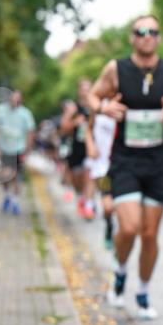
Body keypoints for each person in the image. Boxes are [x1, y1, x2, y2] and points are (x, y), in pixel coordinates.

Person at [88, 14, 163, 320]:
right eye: (140, 31)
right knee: (129, 227)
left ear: (159, 37)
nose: (146, 36)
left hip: (158, 162)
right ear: (132, 37)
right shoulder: (117, 69)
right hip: (125, 161)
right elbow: (92, 95)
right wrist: (103, 106)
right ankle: (120, 270)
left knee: (150, 234)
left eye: (152, 31)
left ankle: (141, 291)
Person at [0, 90, 36, 215]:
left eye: (17, 99)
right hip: (4, 148)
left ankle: (15, 201)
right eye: (13, 98)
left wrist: (27, 150)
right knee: (5, 176)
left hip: (18, 149)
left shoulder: (25, 114)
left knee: (14, 175)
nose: (14, 101)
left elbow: (30, 132)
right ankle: (8, 196)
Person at [60, 79, 96, 220]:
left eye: (88, 88)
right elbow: (63, 128)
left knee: (90, 175)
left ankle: (89, 204)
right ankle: (83, 197)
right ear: (79, 91)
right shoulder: (73, 108)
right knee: (77, 178)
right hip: (76, 148)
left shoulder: (95, 106)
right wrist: (75, 121)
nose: (86, 92)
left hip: (92, 148)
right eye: (83, 89)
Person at [85, 105, 117, 248]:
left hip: (123, 166)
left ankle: (121, 238)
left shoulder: (126, 100)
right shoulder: (98, 104)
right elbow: (89, 129)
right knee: (108, 207)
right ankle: (110, 226)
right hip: (104, 167)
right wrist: (91, 145)